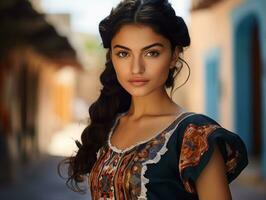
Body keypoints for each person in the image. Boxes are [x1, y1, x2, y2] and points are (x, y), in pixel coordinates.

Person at [58, 0, 248, 199]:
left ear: (174, 55)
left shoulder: (195, 136)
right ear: (112, 58)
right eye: (123, 53)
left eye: (151, 53)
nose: (136, 68)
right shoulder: (109, 124)